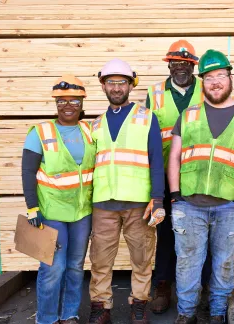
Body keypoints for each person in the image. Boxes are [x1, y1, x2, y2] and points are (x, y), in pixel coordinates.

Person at [168, 49, 234, 324]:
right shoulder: (188, 115)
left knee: (224, 264)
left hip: (230, 206)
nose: (215, 82)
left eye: (221, 76)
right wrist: (176, 196)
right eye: (209, 77)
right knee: (188, 263)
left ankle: (216, 313)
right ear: (202, 81)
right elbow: (174, 156)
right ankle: (186, 314)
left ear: (230, 78)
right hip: (190, 205)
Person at [87, 58, 165, 324]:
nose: (117, 87)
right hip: (103, 202)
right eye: (111, 82)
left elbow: (157, 160)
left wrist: (157, 199)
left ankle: (139, 304)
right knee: (99, 258)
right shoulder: (95, 125)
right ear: (103, 85)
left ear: (131, 85)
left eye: (122, 82)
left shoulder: (146, 118)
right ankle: (101, 306)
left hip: (138, 202)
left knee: (142, 257)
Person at [22, 75, 95, 324]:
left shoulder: (89, 130)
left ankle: (69, 314)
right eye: (62, 100)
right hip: (51, 212)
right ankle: (47, 318)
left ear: (82, 102)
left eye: (74, 100)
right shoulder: (40, 132)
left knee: (75, 267)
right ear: (55, 103)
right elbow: (28, 172)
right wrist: (32, 207)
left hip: (82, 212)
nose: (68, 105)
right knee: (53, 268)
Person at [145, 40, 211, 314]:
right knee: (166, 231)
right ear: (169, 65)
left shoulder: (206, 89)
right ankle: (163, 284)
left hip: (199, 174)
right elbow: (148, 136)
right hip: (164, 174)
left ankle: (205, 286)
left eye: (186, 63)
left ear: (193, 66)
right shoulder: (155, 93)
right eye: (176, 62)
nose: (181, 67)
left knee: (203, 232)